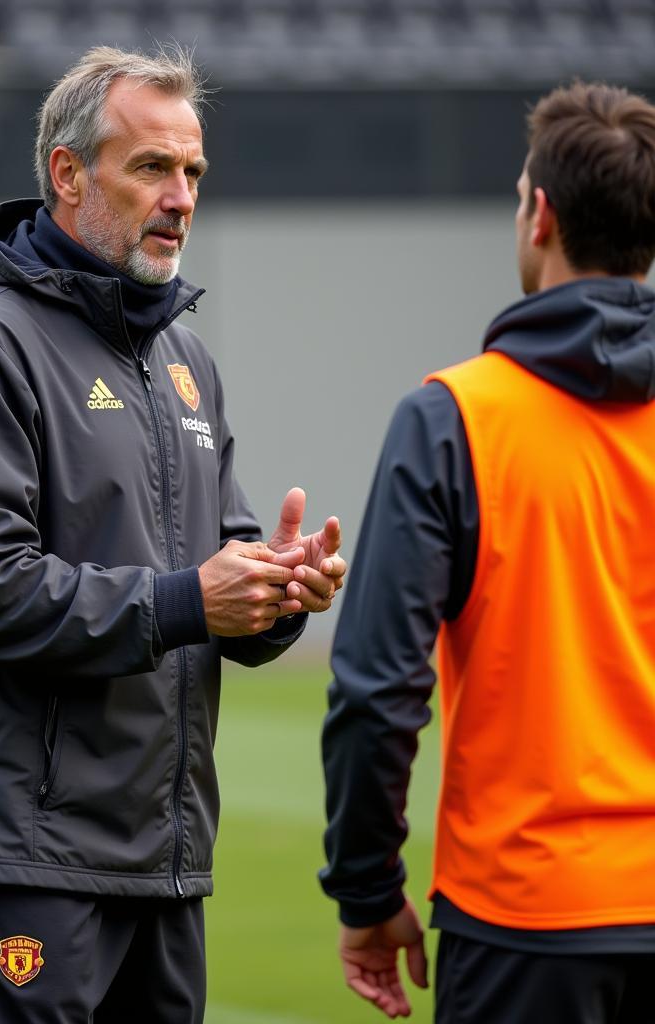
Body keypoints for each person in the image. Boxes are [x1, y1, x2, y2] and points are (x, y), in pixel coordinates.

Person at [0, 45, 346, 1024]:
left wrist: (274, 593)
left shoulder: (182, 357)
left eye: (193, 173)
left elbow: (219, 578)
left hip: (162, 854)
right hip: (15, 846)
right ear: (66, 173)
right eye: (151, 168)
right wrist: (191, 599)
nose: (180, 196)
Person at [319, 81, 655, 1022]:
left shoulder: (453, 418)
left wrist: (366, 893)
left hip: (523, 919)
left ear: (539, 215)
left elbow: (378, 689)